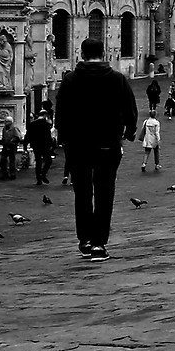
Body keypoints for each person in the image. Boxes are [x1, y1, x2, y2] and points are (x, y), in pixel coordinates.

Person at [57, 36, 140, 260]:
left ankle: (84, 239)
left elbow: (61, 113)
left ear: (81, 54)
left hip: (77, 146)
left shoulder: (70, 80)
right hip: (108, 144)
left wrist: (63, 139)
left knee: (82, 193)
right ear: (103, 53)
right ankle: (98, 244)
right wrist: (130, 132)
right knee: (104, 192)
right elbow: (130, 109)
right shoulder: (117, 79)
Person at [27, 107, 58, 186]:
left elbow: (28, 135)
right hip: (45, 146)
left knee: (38, 162)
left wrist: (25, 145)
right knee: (48, 161)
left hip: (36, 145)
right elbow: (48, 136)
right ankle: (43, 174)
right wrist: (51, 145)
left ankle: (39, 179)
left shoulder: (33, 124)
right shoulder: (46, 124)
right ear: (45, 115)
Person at [0, 110, 23, 179]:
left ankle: (12, 174)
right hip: (5, 146)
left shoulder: (14, 128)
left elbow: (18, 137)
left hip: (12, 146)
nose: (6, 123)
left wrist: (12, 142)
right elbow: (3, 136)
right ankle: (5, 173)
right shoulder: (4, 128)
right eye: (5, 121)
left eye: (7, 121)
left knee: (12, 160)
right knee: (3, 160)